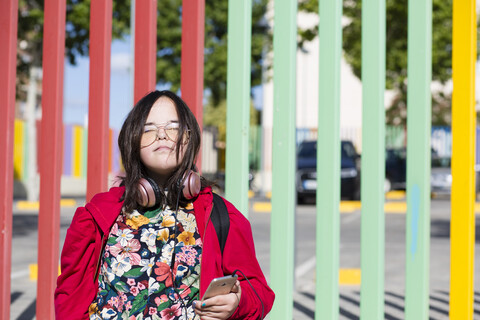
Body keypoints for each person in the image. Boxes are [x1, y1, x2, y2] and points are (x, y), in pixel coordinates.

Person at [54, 90, 275, 320]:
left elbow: (259, 291)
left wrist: (238, 301)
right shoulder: (96, 215)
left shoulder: (221, 215)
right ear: (132, 140)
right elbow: (70, 299)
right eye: (149, 129)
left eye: (173, 127)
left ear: (189, 138)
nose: (162, 136)